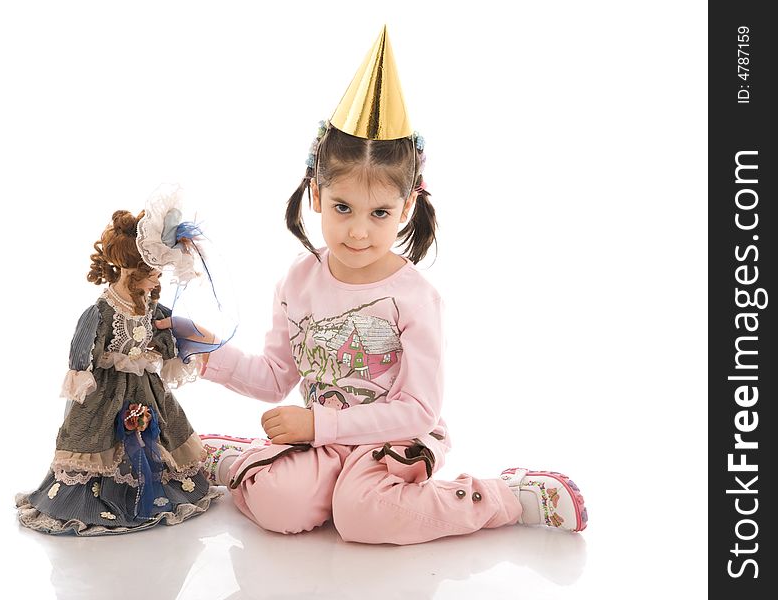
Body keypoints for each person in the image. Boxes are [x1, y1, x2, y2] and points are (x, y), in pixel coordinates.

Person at [194, 27, 588, 544]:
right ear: (316, 193)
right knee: (278, 506)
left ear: (406, 207)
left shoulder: (415, 298)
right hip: (326, 438)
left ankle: (509, 497)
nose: (358, 231)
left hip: (396, 436)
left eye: (379, 212)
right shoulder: (299, 278)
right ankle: (247, 463)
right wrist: (202, 351)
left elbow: (419, 408)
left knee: (363, 515)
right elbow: (273, 376)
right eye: (342, 208)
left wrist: (318, 426)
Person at [16, 187, 220, 535]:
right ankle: (95, 498)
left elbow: (167, 341)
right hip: (108, 392)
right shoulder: (101, 311)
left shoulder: (153, 309)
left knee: (158, 436)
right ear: (132, 272)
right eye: (154, 273)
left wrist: (169, 347)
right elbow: (84, 357)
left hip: (146, 388)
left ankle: (157, 491)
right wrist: (89, 377)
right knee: (98, 439)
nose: (158, 280)